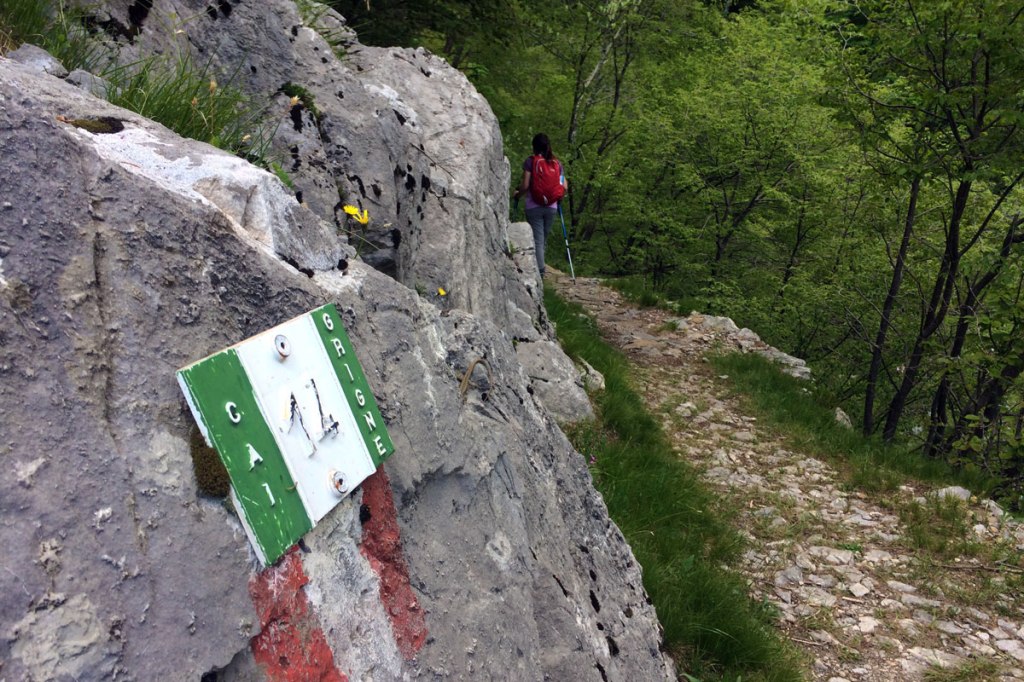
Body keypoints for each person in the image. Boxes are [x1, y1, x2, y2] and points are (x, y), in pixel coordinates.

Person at [513, 133, 567, 279]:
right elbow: (564, 186)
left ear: (534, 146)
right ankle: (540, 268)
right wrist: (558, 196)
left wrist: (517, 195)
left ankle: (540, 272)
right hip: (552, 207)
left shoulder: (531, 162)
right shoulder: (557, 164)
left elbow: (525, 185)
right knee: (542, 239)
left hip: (533, 206)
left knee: (537, 239)